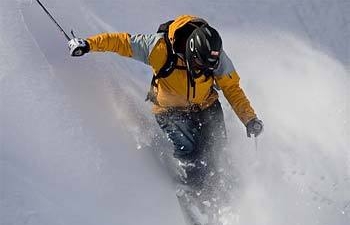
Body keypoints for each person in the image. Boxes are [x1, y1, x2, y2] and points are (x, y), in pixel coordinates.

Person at [68, 15, 263, 186]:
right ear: (191, 51)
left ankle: (222, 184)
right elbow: (122, 42)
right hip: (170, 111)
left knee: (217, 151)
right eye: (198, 64)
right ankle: (195, 190)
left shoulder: (216, 56)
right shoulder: (159, 48)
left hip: (206, 104)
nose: (202, 69)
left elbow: (231, 88)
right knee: (191, 152)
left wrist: (249, 119)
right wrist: (88, 44)